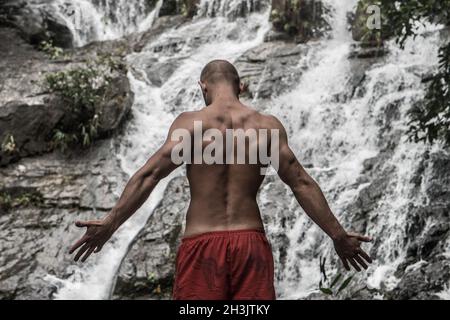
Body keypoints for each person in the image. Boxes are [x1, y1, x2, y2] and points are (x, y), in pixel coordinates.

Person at [69, 59, 373, 300]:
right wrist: (338, 235)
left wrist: (110, 224)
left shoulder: (190, 124)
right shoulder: (266, 127)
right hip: (250, 244)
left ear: (203, 87)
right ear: (240, 86)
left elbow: (149, 175)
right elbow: (301, 183)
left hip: (202, 245)